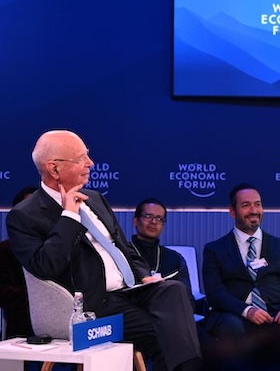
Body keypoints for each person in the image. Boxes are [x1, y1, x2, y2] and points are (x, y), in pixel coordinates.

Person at [6, 130, 202, 371]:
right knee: (167, 335)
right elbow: (44, 266)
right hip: (92, 303)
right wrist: (69, 217)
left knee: (174, 290)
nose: (91, 163)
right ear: (54, 169)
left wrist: (142, 274)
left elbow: (123, 247)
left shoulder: (94, 198)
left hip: (131, 291)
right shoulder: (25, 215)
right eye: (81, 158)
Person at [202, 183, 280, 370]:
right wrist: (246, 311)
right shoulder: (214, 249)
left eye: (257, 204)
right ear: (232, 211)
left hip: (275, 313)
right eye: (246, 205)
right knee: (231, 328)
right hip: (234, 313)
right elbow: (215, 292)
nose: (254, 210)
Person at [130, 197, 195, 309]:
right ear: (135, 221)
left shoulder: (175, 258)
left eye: (159, 218)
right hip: (133, 314)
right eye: (148, 216)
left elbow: (187, 298)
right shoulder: (122, 253)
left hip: (170, 314)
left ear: (163, 226)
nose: (154, 222)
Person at [0, 186, 37, 339]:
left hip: (63, 330)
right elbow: (3, 293)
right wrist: (38, 295)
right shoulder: (4, 250)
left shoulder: (61, 248)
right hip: (20, 332)